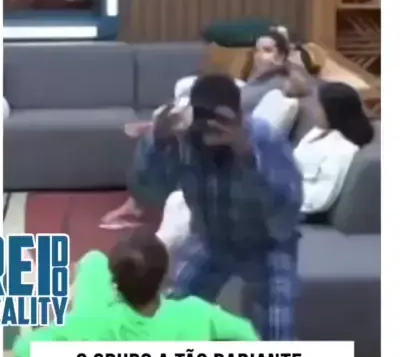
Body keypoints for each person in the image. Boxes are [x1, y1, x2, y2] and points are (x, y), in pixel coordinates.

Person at [130, 74, 302, 357]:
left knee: (279, 341)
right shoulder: (184, 141)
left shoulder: (265, 139)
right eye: (204, 116)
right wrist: (157, 142)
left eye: (220, 118)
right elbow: (147, 191)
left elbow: (286, 212)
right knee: (168, 317)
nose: (211, 127)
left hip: (269, 245)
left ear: (238, 115)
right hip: (212, 240)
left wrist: (246, 155)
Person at [100, 27, 306, 230]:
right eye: (257, 50)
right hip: (212, 122)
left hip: (223, 133)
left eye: (267, 50)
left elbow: (301, 86)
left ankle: (138, 202)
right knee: (158, 135)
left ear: (281, 57)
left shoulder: (279, 84)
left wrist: (290, 62)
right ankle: (140, 198)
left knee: (154, 139)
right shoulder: (256, 79)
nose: (259, 55)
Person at [13, 230, 258, 357]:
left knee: (94, 261)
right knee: (94, 262)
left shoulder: (86, 324)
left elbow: (23, 352)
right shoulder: (198, 314)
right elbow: (252, 339)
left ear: (114, 283)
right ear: (165, 278)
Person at [295, 81, 374, 214]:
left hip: (297, 208)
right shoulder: (317, 132)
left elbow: (319, 200)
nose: (315, 112)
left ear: (332, 112)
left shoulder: (342, 151)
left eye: (319, 108)